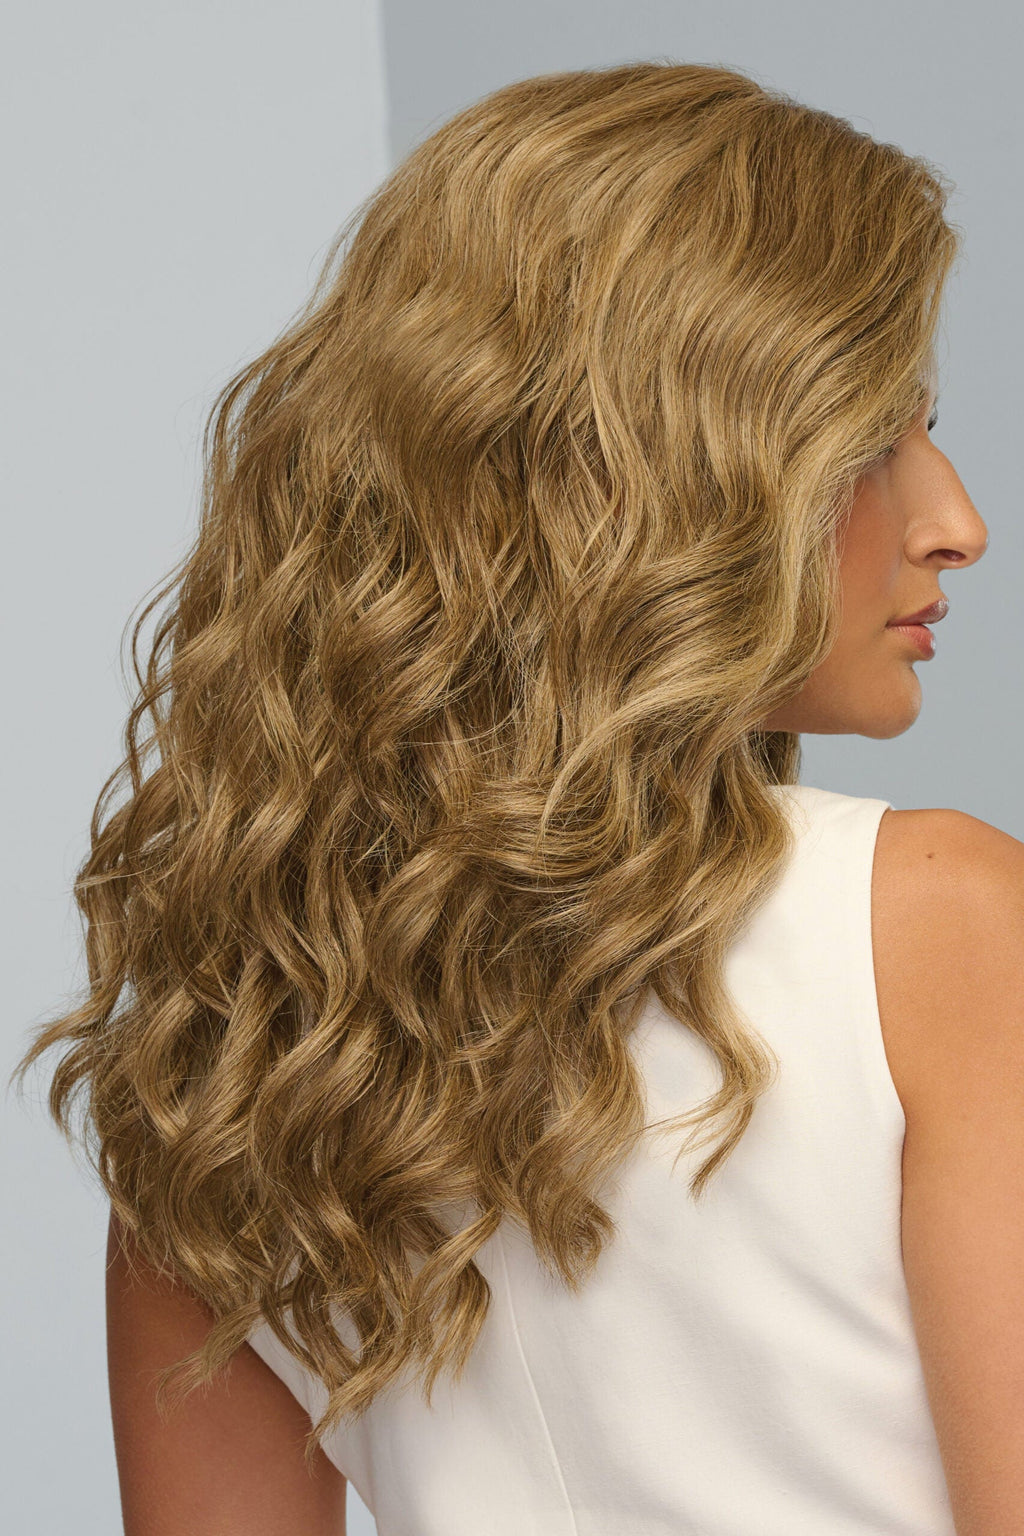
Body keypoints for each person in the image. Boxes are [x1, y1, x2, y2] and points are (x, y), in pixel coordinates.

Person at [10, 59, 1020, 1536]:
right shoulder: (935, 928)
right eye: (873, 437)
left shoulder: (236, 1051)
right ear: (657, 474)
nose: (957, 522)